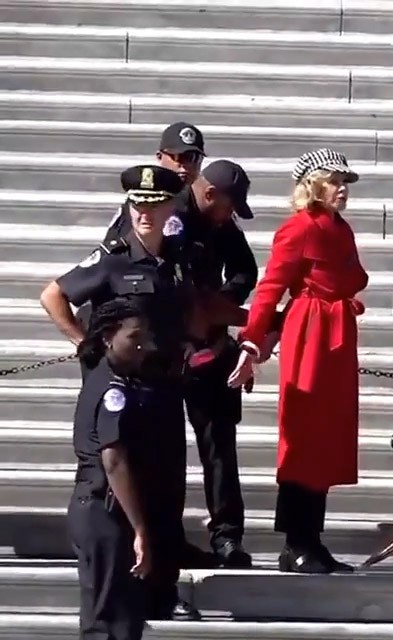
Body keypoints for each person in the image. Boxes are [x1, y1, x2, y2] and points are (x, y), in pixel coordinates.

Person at [40, 165, 200, 621]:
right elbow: (53, 295)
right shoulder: (112, 257)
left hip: (164, 391)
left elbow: (182, 313)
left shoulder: (176, 260)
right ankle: (121, 590)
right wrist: (82, 342)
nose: (144, 214)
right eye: (137, 205)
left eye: (152, 205)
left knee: (165, 488)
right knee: (117, 482)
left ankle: (157, 588)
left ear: (170, 207)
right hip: (120, 392)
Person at [104, 124, 258, 568]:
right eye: (181, 158)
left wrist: (221, 305)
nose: (187, 166)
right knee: (164, 453)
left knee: (219, 445)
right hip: (164, 353)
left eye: (194, 158)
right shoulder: (159, 211)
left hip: (209, 346)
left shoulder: (220, 220)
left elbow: (245, 271)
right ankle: (164, 540)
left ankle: (227, 536)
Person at [228, 148, 369, 573]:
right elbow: (270, 288)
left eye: (345, 182)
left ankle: (310, 538)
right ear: (313, 186)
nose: (343, 189)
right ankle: (297, 540)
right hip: (310, 332)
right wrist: (252, 342)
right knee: (306, 435)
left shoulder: (338, 228)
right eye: (335, 181)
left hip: (335, 333)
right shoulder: (299, 228)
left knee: (326, 437)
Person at [69, 298, 155, 640]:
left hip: (99, 510)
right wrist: (140, 529)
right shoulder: (112, 391)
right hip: (102, 511)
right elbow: (114, 458)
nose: (142, 346)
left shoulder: (114, 379)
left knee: (122, 617)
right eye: (134, 337)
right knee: (106, 622)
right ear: (108, 337)